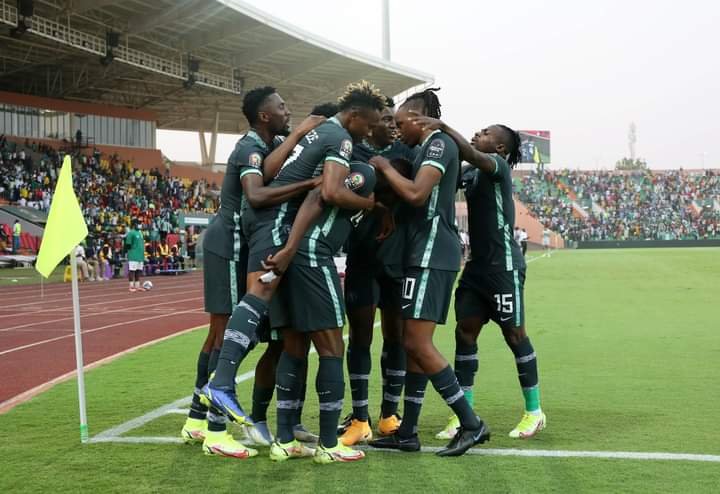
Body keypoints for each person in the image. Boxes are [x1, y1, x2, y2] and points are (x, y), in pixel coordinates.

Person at [206, 80, 382, 464]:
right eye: (368, 124)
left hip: (261, 222)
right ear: (353, 116)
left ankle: (281, 433)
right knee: (259, 298)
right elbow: (331, 192)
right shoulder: (340, 137)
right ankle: (221, 384)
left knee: (286, 336)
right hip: (277, 225)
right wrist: (370, 204)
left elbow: (269, 172)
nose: (367, 132)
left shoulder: (314, 132)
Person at [183, 86, 322, 458]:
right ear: (264, 115)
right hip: (228, 242)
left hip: (235, 242)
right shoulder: (249, 148)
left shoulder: (269, 142)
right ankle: (215, 431)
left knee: (219, 335)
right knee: (229, 333)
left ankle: (196, 418)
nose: (287, 109)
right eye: (281, 106)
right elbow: (256, 196)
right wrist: (310, 182)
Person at [367, 89, 489, 457]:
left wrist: (384, 167)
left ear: (418, 120)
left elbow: (418, 194)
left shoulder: (437, 145)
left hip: (433, 252)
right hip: (423, 252)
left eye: (401, 123)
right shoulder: (424, 147)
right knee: (411, 341)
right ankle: (408, 432)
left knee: (417, 343)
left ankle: (471, 424)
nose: (398, 130)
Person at [411, 116, 546, 440]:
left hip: (504, 267)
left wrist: (441, 128)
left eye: (485, 133)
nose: (477, 133)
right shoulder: (471, 171)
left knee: (515, 336)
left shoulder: (496, 164)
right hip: (476, 269)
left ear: (499, 147)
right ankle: (463, 414)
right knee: (465, 332)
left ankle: (534, 411)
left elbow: (472, 155)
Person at [338, 96, 416, 446]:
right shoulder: (352, 151)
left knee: (396, 337)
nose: (389, 125)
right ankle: (359, 417)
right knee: (360, 338)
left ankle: (388, 415)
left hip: (399, 260)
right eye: (384, 119)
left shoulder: (410, 153)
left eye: (392, 120)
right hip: (362, 256)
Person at [124, 220, 145, 292]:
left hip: (140, 255)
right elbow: (128, 244)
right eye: (138, 224)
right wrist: (130, 252)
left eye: (140, 224)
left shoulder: (140, 233)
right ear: (134, 224)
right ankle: (131, 286)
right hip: (133, 255)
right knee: (132, 271)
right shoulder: (131, 233)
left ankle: (137, 286)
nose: (140, 225)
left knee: (138, 271)